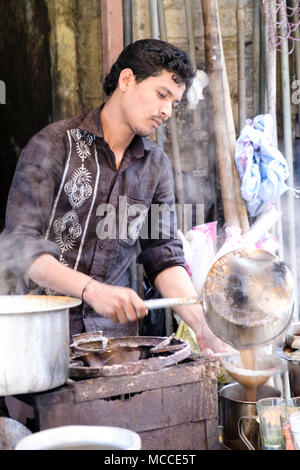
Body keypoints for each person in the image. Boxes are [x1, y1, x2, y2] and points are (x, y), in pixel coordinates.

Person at [0, 39, 230, 355]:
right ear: (126, 80)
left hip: (118, 345)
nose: (166, 110)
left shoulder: (156, 165)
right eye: (161, 94)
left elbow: (162, 254)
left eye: (174, 103)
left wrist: (203, 327)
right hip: (42, 339)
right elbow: (20, 246)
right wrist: (90, 290)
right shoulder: (54, 146)